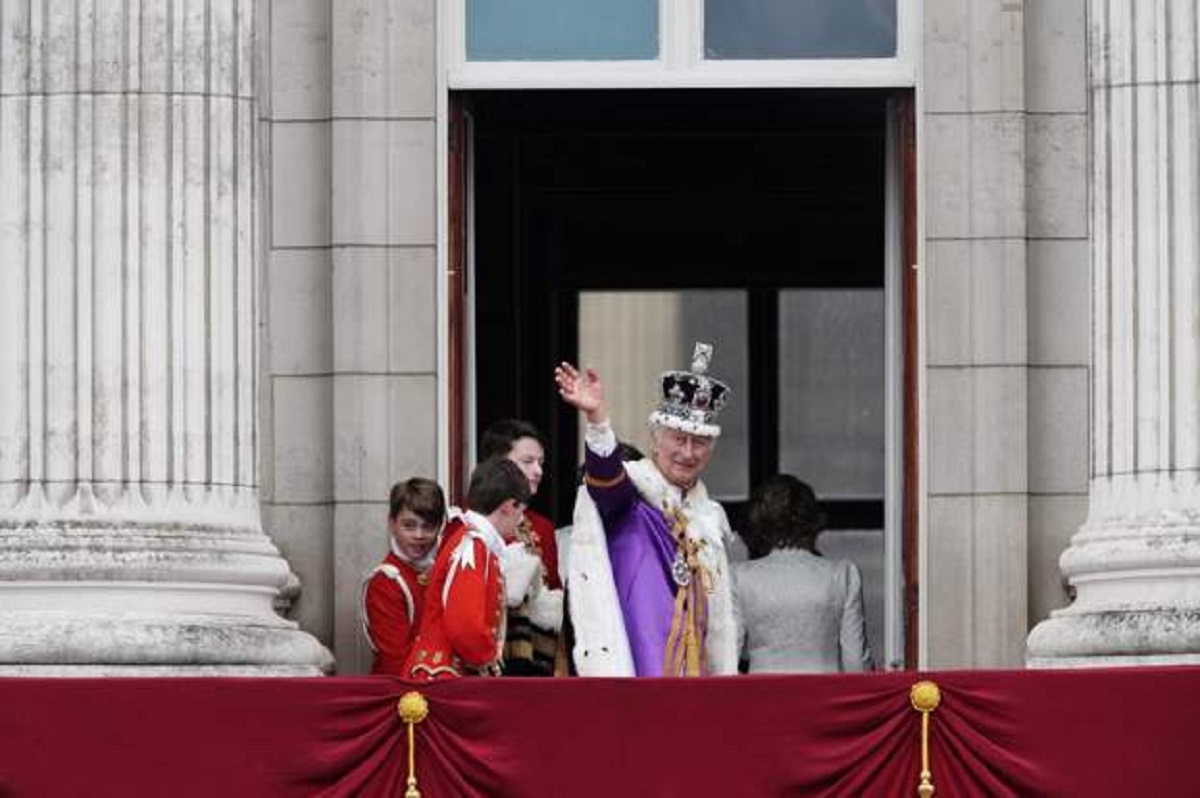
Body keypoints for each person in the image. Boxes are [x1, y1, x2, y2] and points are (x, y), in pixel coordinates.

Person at [555, 343, 739, 677]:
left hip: (697, 684)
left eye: (698, 443)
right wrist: (597, 420)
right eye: (678, 439)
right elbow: (605, 478)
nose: (687, 452)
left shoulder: (709, 520)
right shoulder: (631, 500)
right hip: (639, 680)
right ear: (655, 441)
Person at [405, 458, 531, 680]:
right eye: (520, 511)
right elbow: (465, 627)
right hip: (445, 679)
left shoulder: (473, 541)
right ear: (508, 506)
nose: (521, 520)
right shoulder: (473, 546)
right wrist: (489, 659)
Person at [734, 474, 873, 674]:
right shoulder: (843, 574)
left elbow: (726, 660)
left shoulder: (738, 577)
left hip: (763, 701)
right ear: (812, 519)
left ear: (756, 522)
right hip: (827, 701)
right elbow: (856, 664)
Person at [478, 420, 565, 675]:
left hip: (539, 660)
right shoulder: (473, 523)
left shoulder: (543, 527)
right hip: (489, 658)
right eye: (528, 462)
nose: (538, 471)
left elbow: (554, 595)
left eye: (541, 463)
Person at [360, 477, 446, 675]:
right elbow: (395, 660)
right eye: (409, 525)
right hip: (404, 695)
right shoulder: (385, 582)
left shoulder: (445, 570)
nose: (418, 535)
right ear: (392, 523)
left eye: (428, 526)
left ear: (440, 526)